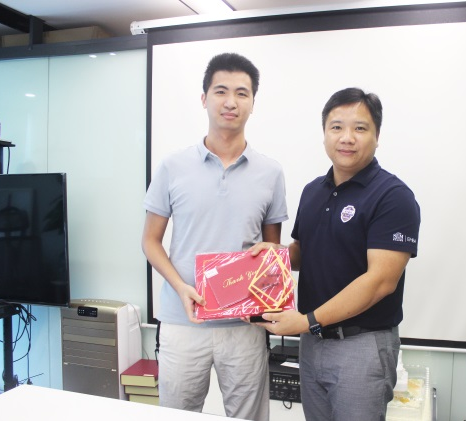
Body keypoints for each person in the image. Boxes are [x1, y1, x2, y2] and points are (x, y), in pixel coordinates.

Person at [249, 87, 420, 421]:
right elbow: (304, 252)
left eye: (360, 128)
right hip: (313, 344)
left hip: (361, 346)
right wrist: (276, 254)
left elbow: (380, 281)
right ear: (325, 134)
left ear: (377, 136)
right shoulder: (314, 191)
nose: (347, 137)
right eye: (337, 127)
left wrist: (305, 321)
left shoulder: (393, 196)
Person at [141, 52, 287, 421]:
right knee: (177, 415)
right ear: (204, 98)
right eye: (221, 91)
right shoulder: (172, 166)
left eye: (242, 93)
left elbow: (271, 250)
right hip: (182, 321)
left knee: (248, 417)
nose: (231, 102)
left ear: (253, 103)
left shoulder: (271, 172)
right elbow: (150, 241)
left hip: (245, 326)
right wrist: (180, 287)